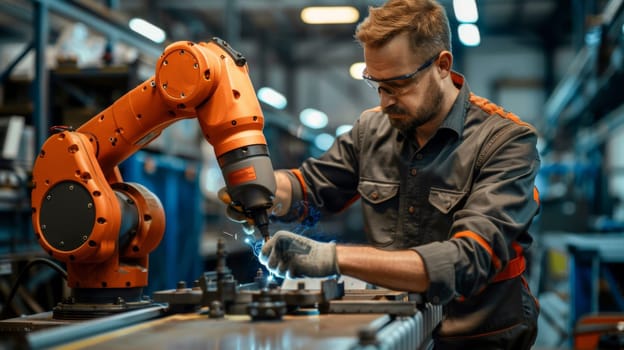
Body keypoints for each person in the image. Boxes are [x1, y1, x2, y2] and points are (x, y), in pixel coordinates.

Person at [222, 0, 540, 348]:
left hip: (478, 335)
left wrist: (332, 258)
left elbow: (468, 259)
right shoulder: (372, 130)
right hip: (399, 327)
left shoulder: (506, 141)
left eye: (398, 85)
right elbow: (309, 186)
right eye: (377, 84)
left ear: (442, 65)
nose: (385, 101)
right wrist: (262, 188)